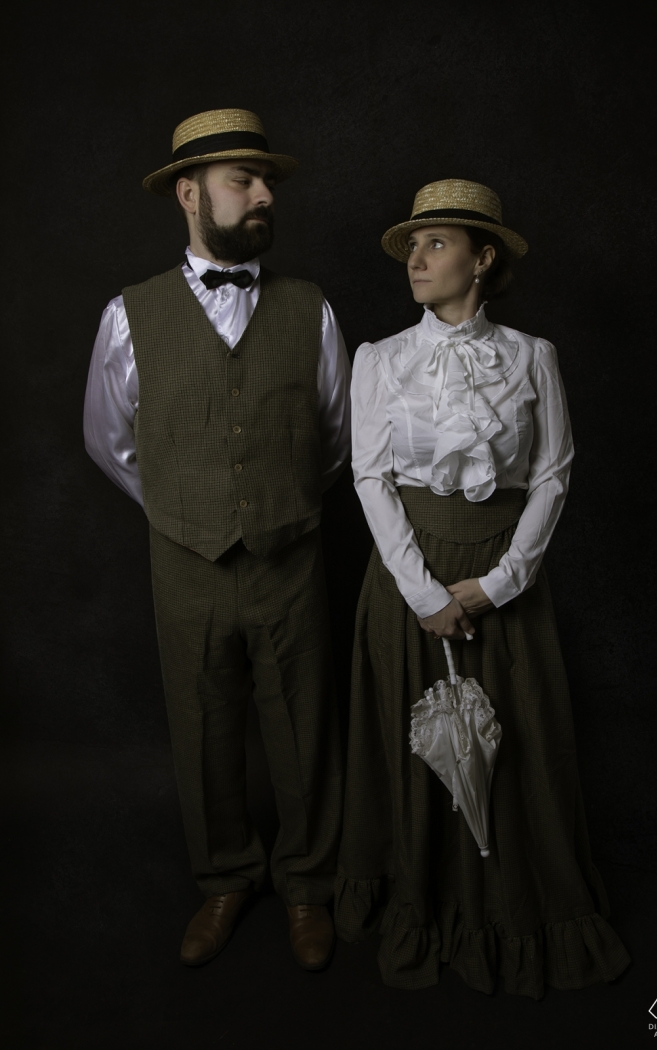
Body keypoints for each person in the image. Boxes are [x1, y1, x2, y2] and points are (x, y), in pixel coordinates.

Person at [334, 179, 630, 997]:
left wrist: (499, 583)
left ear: (482, 256)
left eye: (436, 244)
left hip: (502, 574)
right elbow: (368, 478)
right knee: (422, 744)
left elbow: (554, 476)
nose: (417, 261)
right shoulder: (381, 359)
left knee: (518, 742)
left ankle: (516, 910)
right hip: (409, 573)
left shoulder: (533, 357)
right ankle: (424, 904)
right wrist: (425, 593)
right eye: (411, 248)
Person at [84, 109, 351, 971]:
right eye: (246, 181)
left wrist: (275, 504)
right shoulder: (128, 316)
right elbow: (109, 440)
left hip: (292, 559)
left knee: (306, 725)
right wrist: (184, 507)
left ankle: (309, 883)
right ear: (191, 195)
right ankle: (227, 877)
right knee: (202, 725)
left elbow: (338, 440)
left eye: (267, 181)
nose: (266, 194)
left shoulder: (311, 310)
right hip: (184, 560)